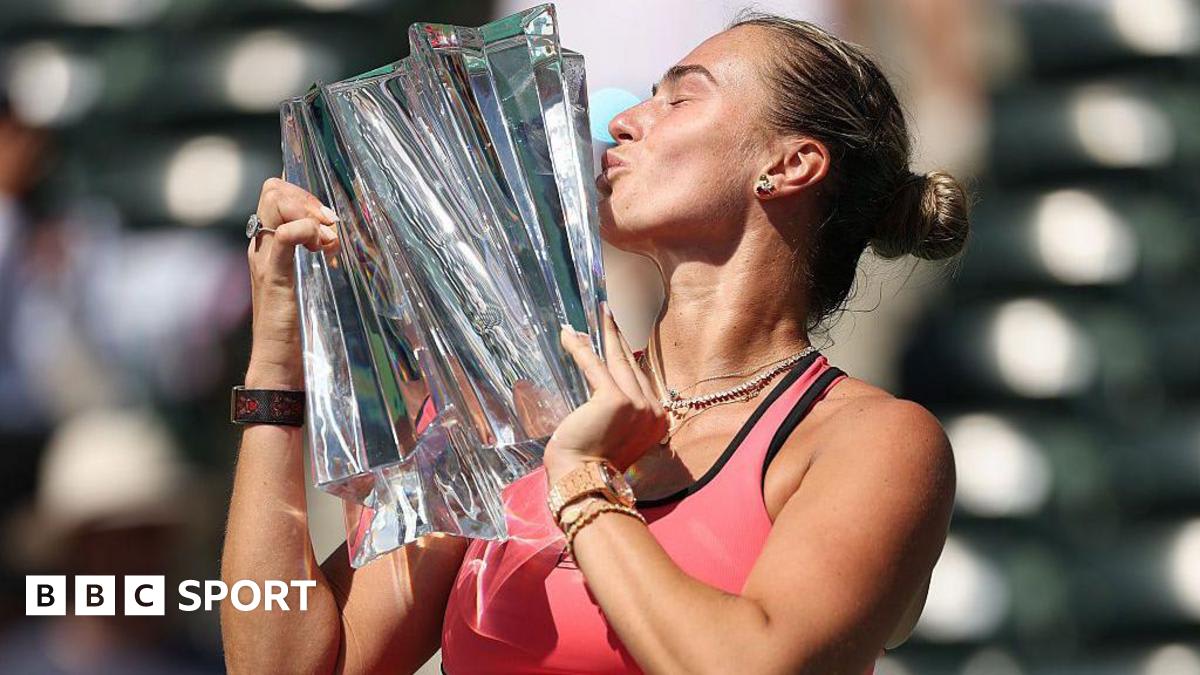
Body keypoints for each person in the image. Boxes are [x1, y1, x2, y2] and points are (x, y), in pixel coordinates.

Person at [221, 14, 966, 674]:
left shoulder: (874, 443)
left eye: (679, 97)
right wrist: (278, 360)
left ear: (788, 164)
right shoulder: (504, 412)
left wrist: (580, 480)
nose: (622, 121)